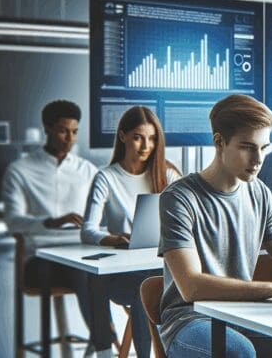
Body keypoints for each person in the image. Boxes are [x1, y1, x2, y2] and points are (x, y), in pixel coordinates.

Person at [159, 94, 272, 358]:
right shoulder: (179, 198)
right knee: (239, 352)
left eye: (263, 148)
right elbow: (191, 286)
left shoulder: (259, 193)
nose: (258, 159)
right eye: (247, 147)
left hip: (243, 313)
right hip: (189, 320)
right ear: (219, 141)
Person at [81, 106, 181, 358]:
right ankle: (113, 352)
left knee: (151, 284)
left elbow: (190, 216)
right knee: (139, 287)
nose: (146, 145)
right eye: (138, 137)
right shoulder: (106, 177)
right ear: (123, 136)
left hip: (161, 267)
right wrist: (111, 238)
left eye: (152, 138)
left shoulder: (166, 173)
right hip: (123, 274)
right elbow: (88, 229)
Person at [2, 100, 99, 349]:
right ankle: (105, 340)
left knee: (95, 273)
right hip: (39, 257)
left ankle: (104, 341)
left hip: (79, 253)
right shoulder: (20, 170)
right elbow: (13, 221)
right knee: (83, 274)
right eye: (62, 131)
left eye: (75, 132)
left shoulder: (87, 170)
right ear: (46, 128)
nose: (70, 138)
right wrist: (52, 222)